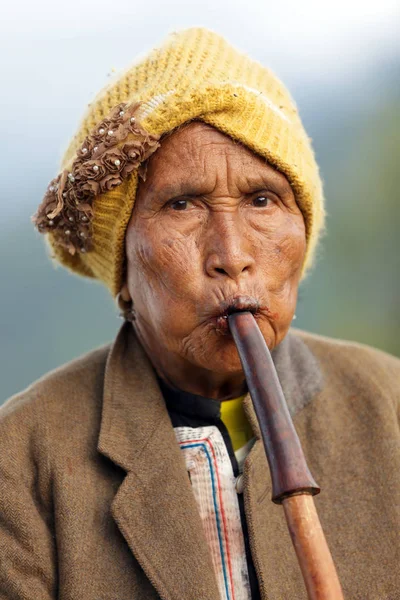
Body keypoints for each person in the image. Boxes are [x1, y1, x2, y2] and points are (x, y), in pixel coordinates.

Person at [0, 27, 399, 600]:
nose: (232, 256)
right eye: (182, 204)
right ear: (124, 272)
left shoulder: (390, 408)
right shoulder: (22, 462)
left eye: (263, 200)